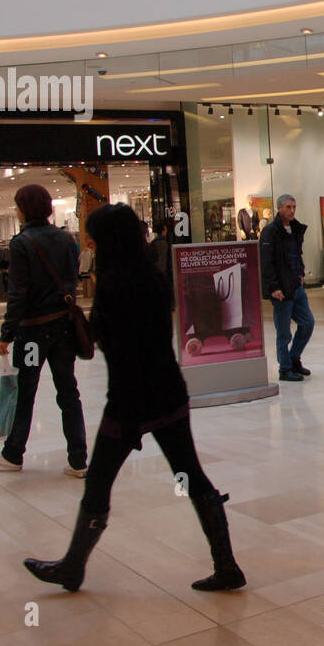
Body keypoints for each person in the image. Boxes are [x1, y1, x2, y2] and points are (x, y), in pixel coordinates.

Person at [23, 203, 244, 594]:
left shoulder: (112, 283)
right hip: (167, 392)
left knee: (99, 481)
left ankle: (73, 566)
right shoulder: (155, 277)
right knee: (190, 474)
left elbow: (103, 343)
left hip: (128, 400)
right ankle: (226, 564)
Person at [0, 185, 89, 476]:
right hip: (63, 329)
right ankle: (78, 460)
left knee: (26, 391)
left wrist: (7, 333)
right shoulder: (67, 239)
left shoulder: (21, 243)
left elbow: (18, 294)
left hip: (32, 335)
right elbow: (72, 280)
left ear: (22, 210)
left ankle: (13, 453)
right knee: (69, 391)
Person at [260, 194, 314, 382]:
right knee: (283, 333)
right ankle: (284, 368)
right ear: (279, 208)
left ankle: (293, 358)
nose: (292, 210)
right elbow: (266, 263)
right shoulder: (270, 232)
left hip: (296, 287)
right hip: (281, 290)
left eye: (294, 207)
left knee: (307, 323)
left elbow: (296, 254)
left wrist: (301, 273)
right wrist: (273, 287)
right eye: (288, 207)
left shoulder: (295, 229)